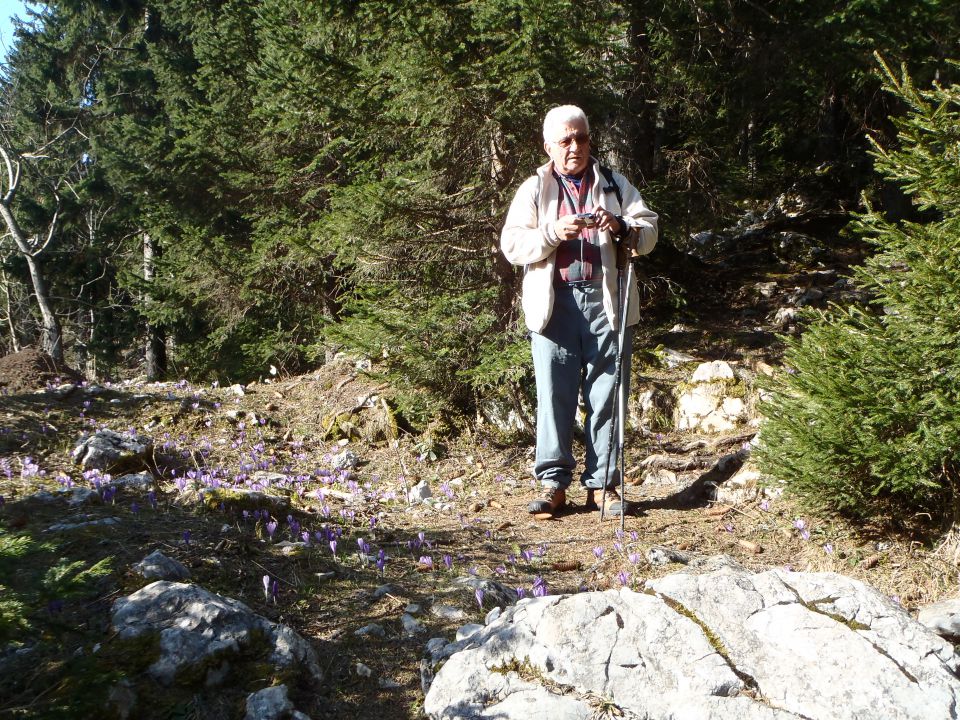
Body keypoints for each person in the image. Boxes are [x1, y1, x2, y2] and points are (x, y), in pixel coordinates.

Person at [500, 105, 658, 517]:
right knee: (554, 395)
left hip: (607, 300)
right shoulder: (534, 189)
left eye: (581, 138)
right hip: (554, 305)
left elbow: (649, 233)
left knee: (609, 394)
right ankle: (553, 484)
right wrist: (553, 232)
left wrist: (621, 227)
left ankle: (603, 486)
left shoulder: (614, 184)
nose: (575, 147)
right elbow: (512, 245)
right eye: (566, 141)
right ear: (549, 146)